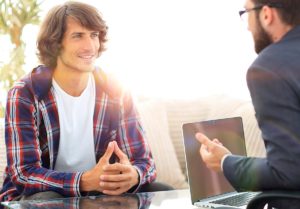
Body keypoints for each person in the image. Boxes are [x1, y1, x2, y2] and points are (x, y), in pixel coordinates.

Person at [0, 1, 162, 202]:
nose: (90, 46)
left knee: (162, 190)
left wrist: (134, 175)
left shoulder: (116, 90)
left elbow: (144, 162)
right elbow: (24, 174)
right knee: (46, 199)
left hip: (100, 192)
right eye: (78, 36)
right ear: (55, 43)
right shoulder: (26, 93)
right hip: (37, 196)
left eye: (94, 35)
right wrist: (84, 181)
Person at [196, 0, 300, 191]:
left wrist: (225, 161)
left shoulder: (268, 67)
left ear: (267, 14)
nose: (248, 27)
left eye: (247, 12)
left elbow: (288, 172)